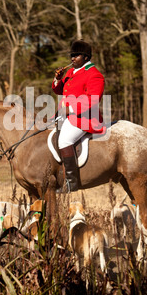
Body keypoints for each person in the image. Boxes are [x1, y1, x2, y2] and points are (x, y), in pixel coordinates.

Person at [52, 39, 105, 192]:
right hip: (66, 115)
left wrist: (71, 109)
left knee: (64, 140)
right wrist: (58, 79)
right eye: (71, 55)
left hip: (85, 117)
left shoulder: (94, 75)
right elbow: (59, 90)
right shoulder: (71, 72)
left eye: (76, 55)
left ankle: (71, 183)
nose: (72, 58)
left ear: (86, 57)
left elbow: (93, 99)